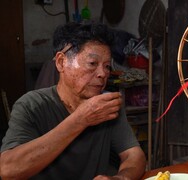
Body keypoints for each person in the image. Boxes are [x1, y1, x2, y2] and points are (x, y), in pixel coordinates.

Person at [0, 22, 146, 180]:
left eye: (106, 66)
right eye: (92, 64)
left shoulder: (107, 105)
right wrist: (80, 119)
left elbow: (134, 156)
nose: (103, 74)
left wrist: (120, 178)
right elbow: (8, 169)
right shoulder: (32, 105)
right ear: (61, 62)